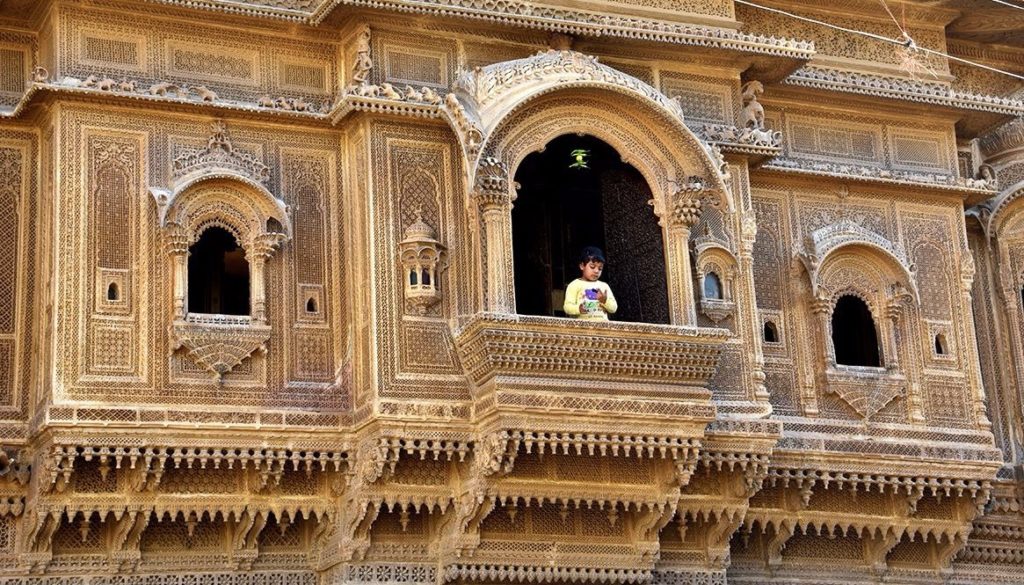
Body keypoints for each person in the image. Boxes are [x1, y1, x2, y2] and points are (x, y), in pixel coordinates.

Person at [563, 246, 618, 321]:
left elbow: (614, 308)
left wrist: (605, 301)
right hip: (582, 327)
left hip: (603, 327)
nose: (596, 271)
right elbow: (567, 307)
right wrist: (578, 309)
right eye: (592, 267)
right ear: (582, 266)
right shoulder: (574, 285)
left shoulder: (604, 286)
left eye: (600, 268)